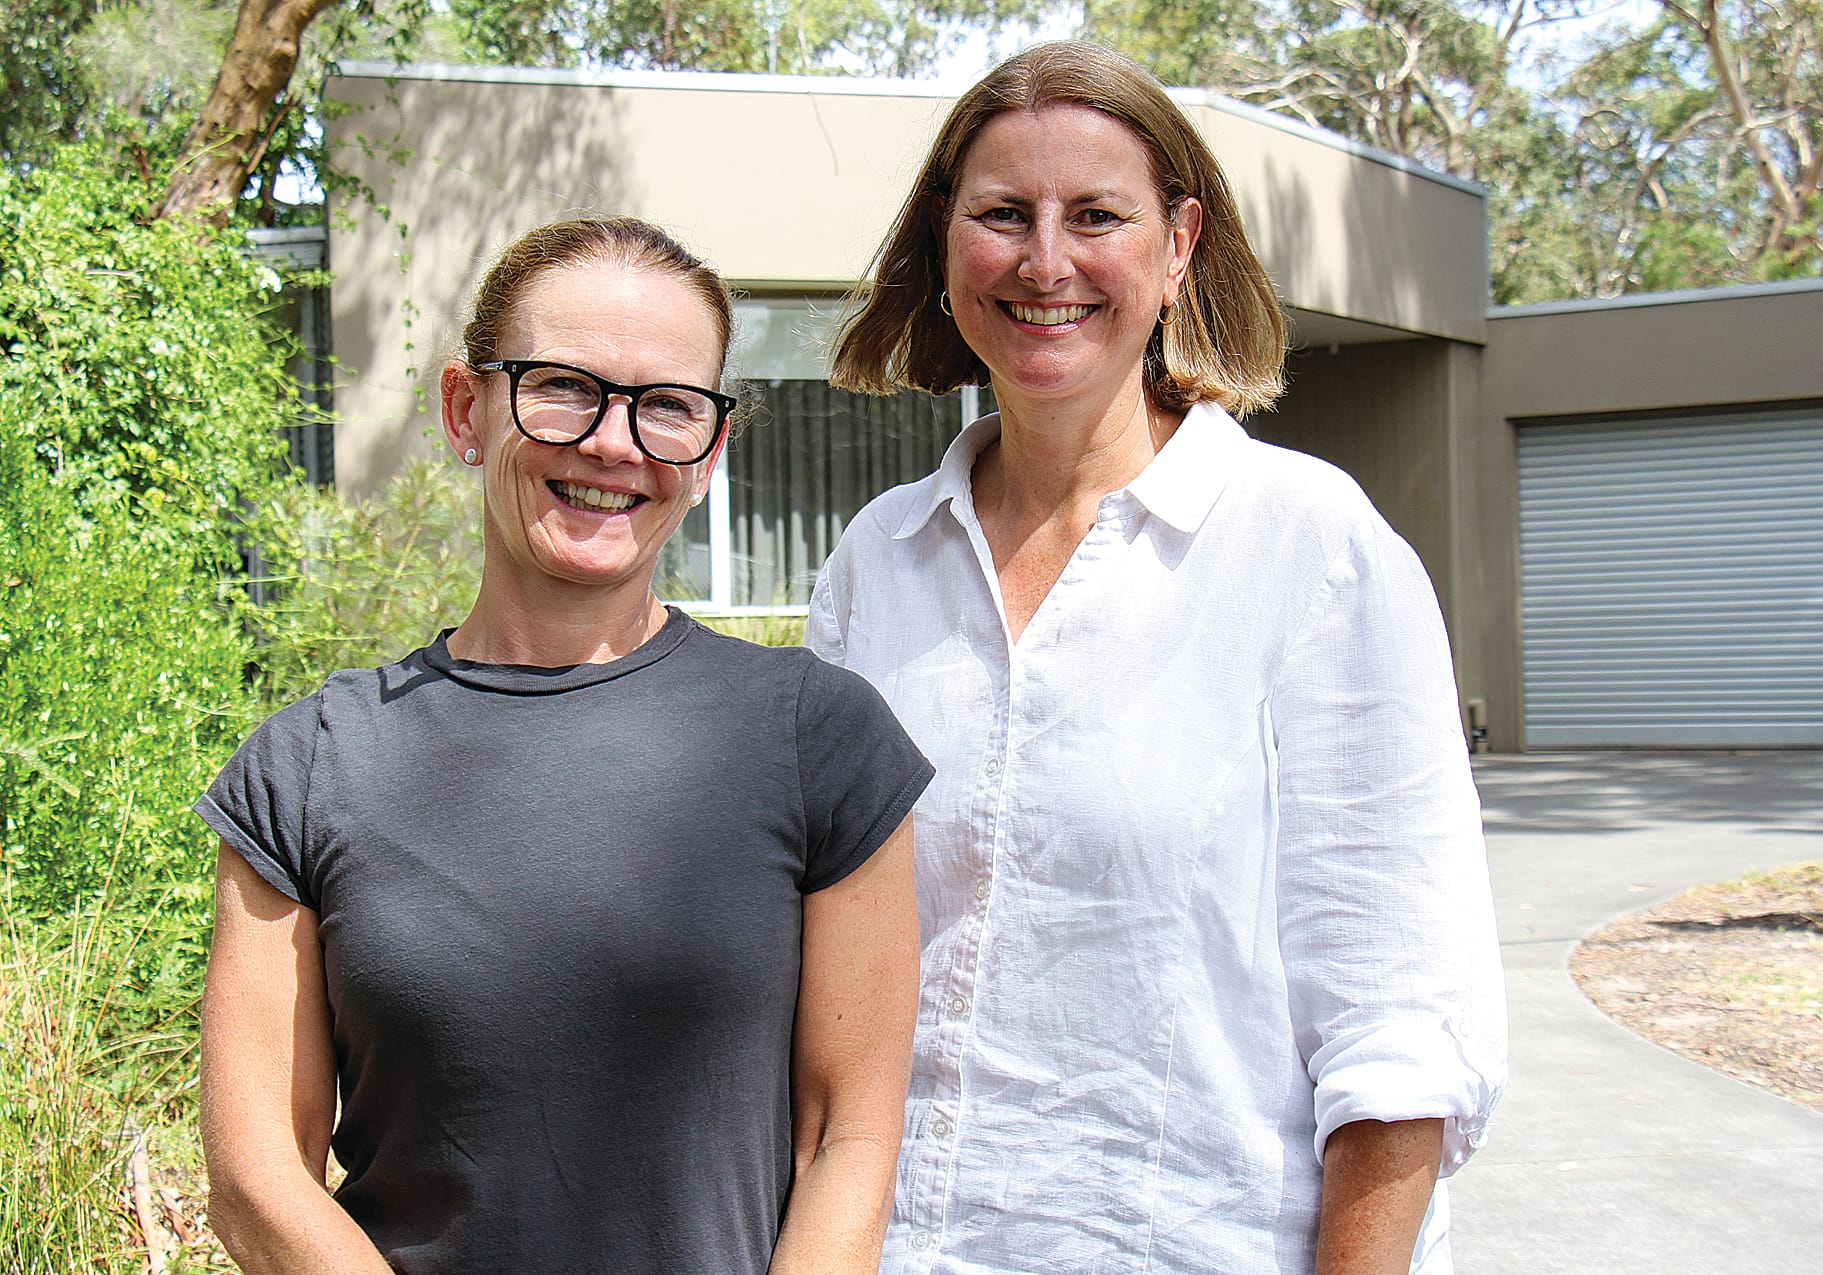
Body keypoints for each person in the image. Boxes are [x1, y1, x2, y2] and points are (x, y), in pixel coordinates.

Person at [808, 41, 1507, 1274]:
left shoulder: (1309, 549)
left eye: (1096, 216)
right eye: (1001, 215)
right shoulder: (878, 560)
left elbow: (1401, 1023)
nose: (1045, 261)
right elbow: (817, 979)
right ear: (942, 242)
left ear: (1177, 245)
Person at [196, 217, 933, 1275]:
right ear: (466, 408)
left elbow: (846, 1140)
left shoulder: (820, 740)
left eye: (666, 406)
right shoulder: (308, 767)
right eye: (561, 387)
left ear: (711, 449)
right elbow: (256, 1174)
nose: (611, 443)